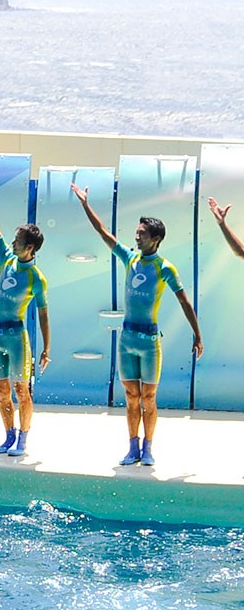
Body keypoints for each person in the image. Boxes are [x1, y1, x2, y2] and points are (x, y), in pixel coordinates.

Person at [71, 183, 203, 467]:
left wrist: (197, 334)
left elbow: (184, 301)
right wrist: (85, 204)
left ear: (156, 239)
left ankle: (148, 447)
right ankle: (132, 447)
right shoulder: (130, 258)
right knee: (132, 396)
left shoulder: (164, 268)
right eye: (137, 232)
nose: (137, 236)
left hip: (150, 342)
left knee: (149, 396)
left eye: (142, 233)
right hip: (127, 340)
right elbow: (104, 234)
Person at [0, 173, 50, 457]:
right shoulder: (6, 259)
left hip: (17, 338)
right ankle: (8, 436)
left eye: (18, 241)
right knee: (1, 390)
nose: (13, 243)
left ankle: (23, 438)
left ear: (29, 247)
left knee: (21, 390)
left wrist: (46, 348)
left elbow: (43, 315)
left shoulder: (36, 278)